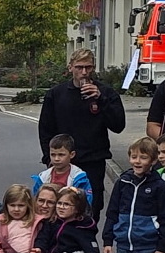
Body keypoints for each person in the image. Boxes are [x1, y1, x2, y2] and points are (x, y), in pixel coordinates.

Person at [37, 49, 126, 220]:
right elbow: (45, 130)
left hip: (93, 162)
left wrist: (101, 99)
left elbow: (118, 125)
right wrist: (50, 159)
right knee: (58, 209)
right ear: (70, 67)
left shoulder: (106, 93)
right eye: (79, 67)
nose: (84, 72)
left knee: (91, 210)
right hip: (63, 163)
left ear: (93, 68)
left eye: (88, 67)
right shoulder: (56, 94)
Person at [31, 134, 92, 204]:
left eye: (61, 155)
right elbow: (35, 200)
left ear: (72, 154)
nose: (56, 159)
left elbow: (86, 201)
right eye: (53, 155)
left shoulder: (79, 178)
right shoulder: (43, 178)